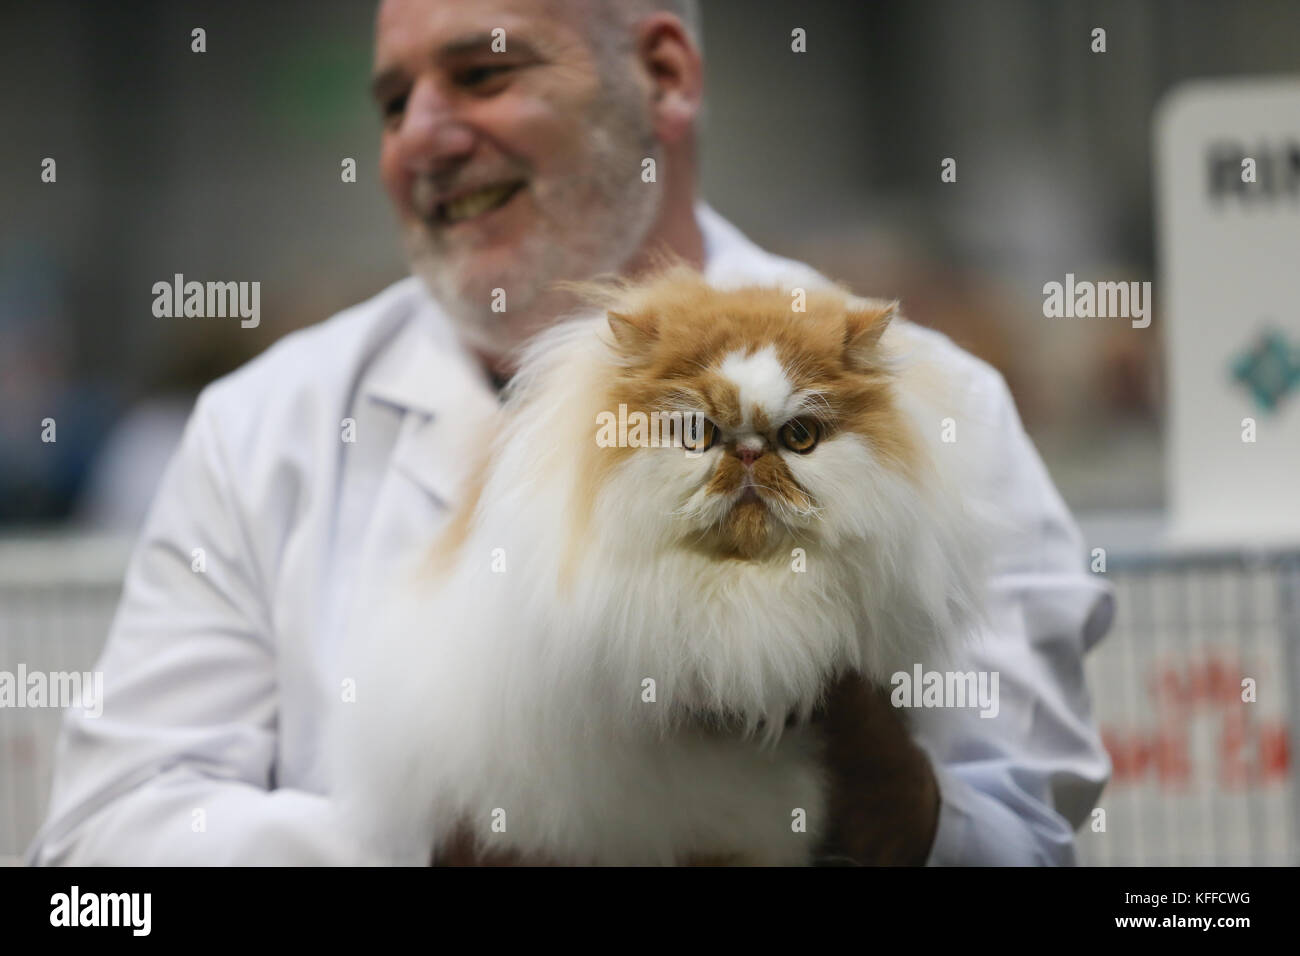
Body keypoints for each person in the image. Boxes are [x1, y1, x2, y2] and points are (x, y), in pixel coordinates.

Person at [28, 0, 1113, 866]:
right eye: (393, 100)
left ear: (665, 77)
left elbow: (1040, 833)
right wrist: (405, 851)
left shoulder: (936, 405)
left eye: (483, 72)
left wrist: (903, 810)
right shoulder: (258, 428)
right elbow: (94, 866)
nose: (421, 137)